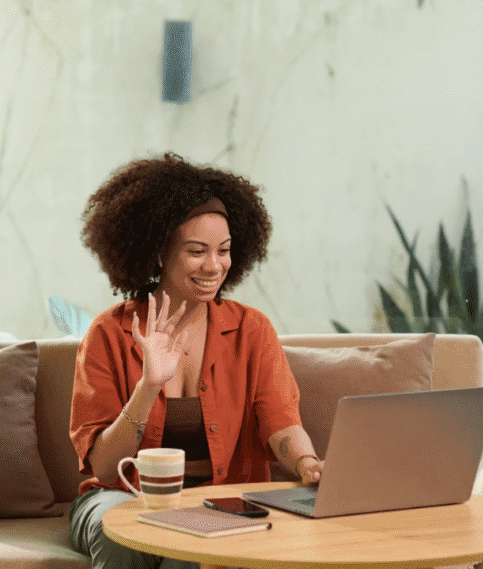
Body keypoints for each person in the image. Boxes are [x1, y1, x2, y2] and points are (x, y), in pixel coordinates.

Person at [68, 153, 325, 569]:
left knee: (193, 548)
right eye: (196, 251)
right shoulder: (108, 334)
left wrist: (307, 463)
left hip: (219, 502)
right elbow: (105, 467)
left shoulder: (252, 330)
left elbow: (281, 423)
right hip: (121, 497)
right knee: (117, 530)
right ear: (157, 252)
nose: (214, 265)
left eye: (223, 251)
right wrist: (148, 385)